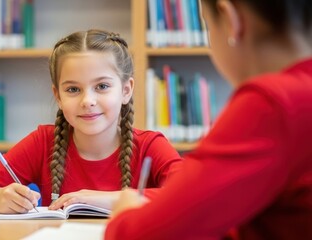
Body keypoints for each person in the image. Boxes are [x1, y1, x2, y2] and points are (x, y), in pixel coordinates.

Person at [105, 0, 312, 239]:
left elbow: (142, 235)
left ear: (229, 18)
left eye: (207, 25)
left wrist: (125, 215)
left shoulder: (273, 103)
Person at [0, 29, 183, 214]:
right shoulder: (42, 143)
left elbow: (192, 194)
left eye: (102, 86)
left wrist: (104, 199)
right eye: (73, 89)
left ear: (126, 90)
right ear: (58, 96)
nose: (87, 101)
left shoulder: (150, 146)